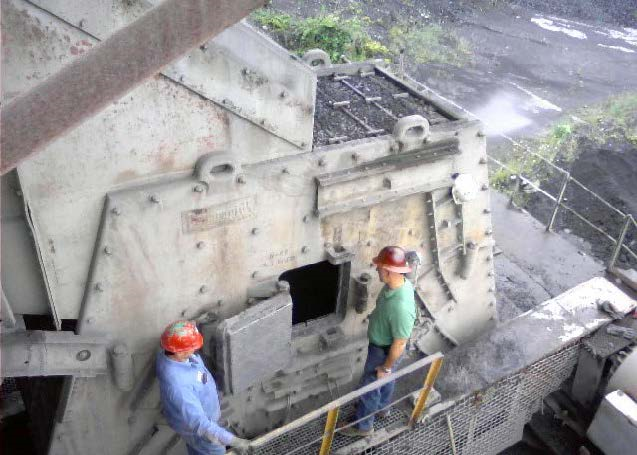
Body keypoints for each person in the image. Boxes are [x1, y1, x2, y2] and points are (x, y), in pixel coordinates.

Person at [340, 246, 417, 437]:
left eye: (380, 267)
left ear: (389, 272)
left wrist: (385, 367)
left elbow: (399, 343)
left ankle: (363, 426)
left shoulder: (400, 307)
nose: (376, 270)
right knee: (385, 381)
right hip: (384, 348)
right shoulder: (397, 284)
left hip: (385, 351)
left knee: (370, 386)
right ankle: (382, 409)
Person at [156, 320, 250, 455]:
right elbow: (201, 425)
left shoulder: (168, 354)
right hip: (202, 436)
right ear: (180, 352)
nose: (195, 349)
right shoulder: (179, 386)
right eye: (191, 347)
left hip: (203, 419)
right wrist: (236, 442)